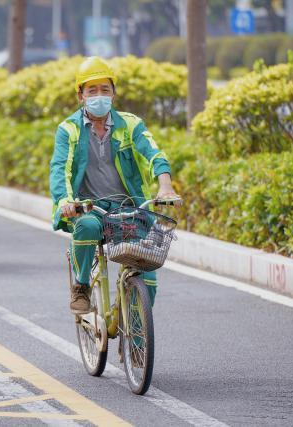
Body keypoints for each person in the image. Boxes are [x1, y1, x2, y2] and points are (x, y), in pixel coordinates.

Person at [49, 56, 180, 314]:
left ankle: (136, 332)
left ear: (114, 93)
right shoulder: (69, 130)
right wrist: (65, 202)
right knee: (86, 227)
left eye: (105, 90)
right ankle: (82, 286)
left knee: (149, 276)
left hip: (128, 209)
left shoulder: (131, 124)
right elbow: (59, 169)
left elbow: (154, 153)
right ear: (81, 96)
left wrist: (165, 185)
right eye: (92, 90)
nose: (99, 96)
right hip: (88, 208)